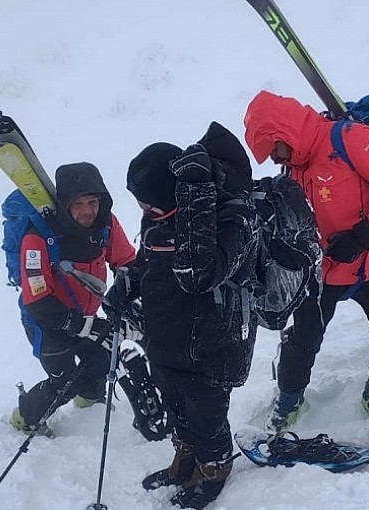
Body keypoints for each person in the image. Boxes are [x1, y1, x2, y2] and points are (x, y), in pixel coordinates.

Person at [243, 90, 369, 431]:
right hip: (318, 277)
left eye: (273, 149)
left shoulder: (349, 139)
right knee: (300, 349)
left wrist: (365, 235)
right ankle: (288, 402)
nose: (273, 159)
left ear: (284, 133)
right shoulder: (291, 169)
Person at [126, 122, 259, 509]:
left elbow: (200, 272)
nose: (144, 211)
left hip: (211, 346)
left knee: (206, 415)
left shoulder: (233, 216)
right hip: (166, 338)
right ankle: (186, 459)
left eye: (148, 202)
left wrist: (196, 196)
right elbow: (148, 259)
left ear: (175, 195)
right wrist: (128, 281)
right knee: (176, 405)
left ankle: (214, 468)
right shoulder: (160, 213)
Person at [9, 162, 136, 436]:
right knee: (64, 380)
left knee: (100, 359)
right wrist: (81, 325)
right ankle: (25, 417)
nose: (88, 211)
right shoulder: (38, 237)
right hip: (44, 320)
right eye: (78, 203)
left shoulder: (106, 224)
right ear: (64, 204)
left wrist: (128, 295)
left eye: (93, 202)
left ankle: (90, 404)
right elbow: (37, 299)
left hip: (86, 313)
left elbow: (126, 262)